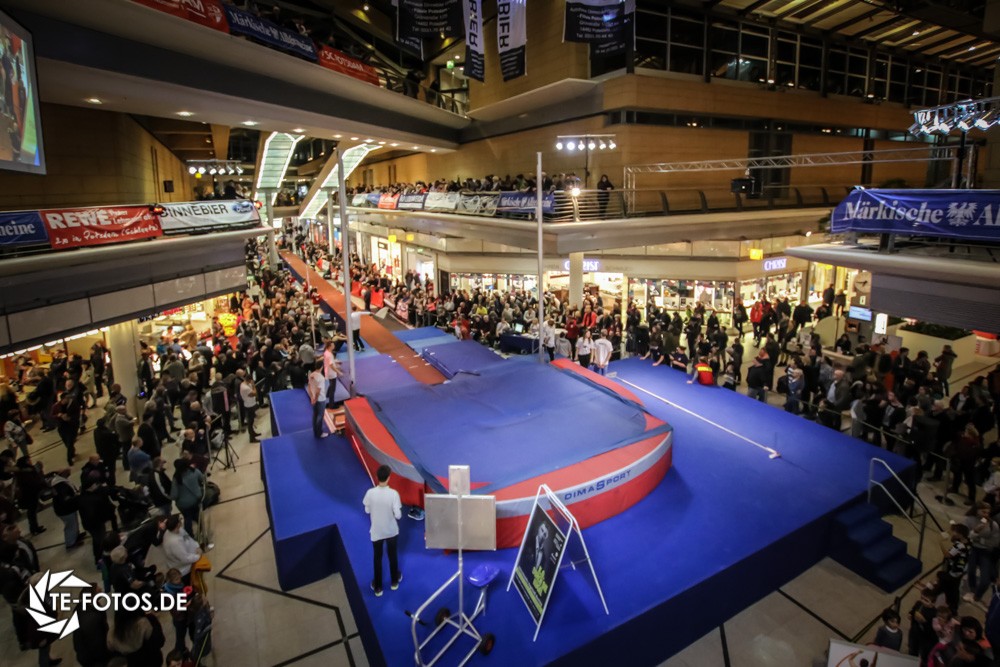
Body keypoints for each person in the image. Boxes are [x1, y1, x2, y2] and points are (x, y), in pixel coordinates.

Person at [363, 464, 401, 597]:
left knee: (377, 558)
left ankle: (378, 587)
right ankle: (394, 582)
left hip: (376, 531)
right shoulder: (394, 494)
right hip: (391, 531)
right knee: (392, 555)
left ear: (377, 477)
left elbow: (367, 510)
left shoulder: (370, 493)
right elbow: (398, 515)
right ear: (389, 478)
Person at [50, 468, 85, 550]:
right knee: (70, 525)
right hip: (65, 510)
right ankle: (70, 543)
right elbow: (65, 499)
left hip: (68, 508)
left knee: (74, 523)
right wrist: (77, 496)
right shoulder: (60, 484)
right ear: (63, 474)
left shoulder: (61, 482)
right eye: (67, 472)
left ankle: (76, 536)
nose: (69, 473)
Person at [162, 515, 202, 585]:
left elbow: (187, 537)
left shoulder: (178, 529)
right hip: (183, 569)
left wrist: (196, 546)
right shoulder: (174, 542)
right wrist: (198, 556)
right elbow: (184, 559)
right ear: (178, 524)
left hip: (190, 555)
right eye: (180, 520)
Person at [171, 460, 205, 536]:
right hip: (196, 500)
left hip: (183, 505)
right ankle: (202, 528)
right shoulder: (195, 471)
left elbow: (174, 495)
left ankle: (190, 535)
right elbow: (202, 479)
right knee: (197, 515)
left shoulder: (176, 478)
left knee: (187, 518)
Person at [307, 361, 329, 439]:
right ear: (322, 367)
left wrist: (311, 397)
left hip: (314, 398)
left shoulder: (311, 375)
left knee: (315, 415)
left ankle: (315, 431)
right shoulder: (321, 378)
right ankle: (319, 433)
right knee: (320, 416)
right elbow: (318, 391)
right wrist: (315, 399)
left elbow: (309, 386)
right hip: (320, 399)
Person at [239, 374, 260, 443]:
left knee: (252, 420)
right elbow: (254, 393)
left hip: (251, 404)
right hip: (249, 405)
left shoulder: (244, 384)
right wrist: (253, 385)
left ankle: (253, 433)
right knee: (250, 423)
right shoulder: (245, 388)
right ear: (249, 380)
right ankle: (252, 438)